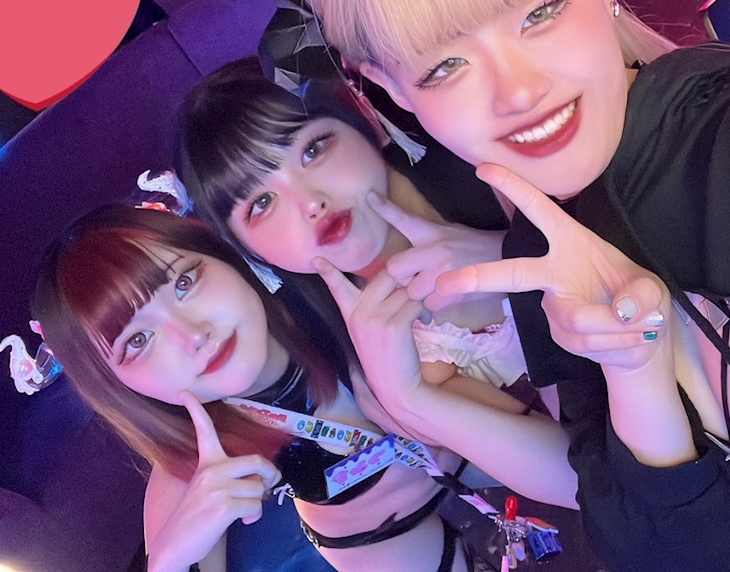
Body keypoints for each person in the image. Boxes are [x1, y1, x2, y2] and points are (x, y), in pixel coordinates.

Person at [294, 0, 730, 570]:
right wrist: (634, 368)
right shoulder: (543, 255)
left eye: (540, 10)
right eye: (445, 64)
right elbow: (676, 555)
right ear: (390, 90)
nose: (519, 91)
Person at [176, 55, 579, 511]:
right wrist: (409, 396)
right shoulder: (378, 355)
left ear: (363, 117)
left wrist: (510, 253)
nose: (309, 203)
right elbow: (582, 483)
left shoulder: (495, 165)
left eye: (313, 150)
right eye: (262, 203)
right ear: (250, 252)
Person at [31, 205, 481, 572]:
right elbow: (176, 546)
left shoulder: (326, 288)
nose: (194, 335)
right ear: (119, 387)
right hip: (386, 540)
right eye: (138, 341)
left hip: (476, 452)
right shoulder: (194, 456)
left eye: (185, 282)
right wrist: (168, 561)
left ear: (222, 257)